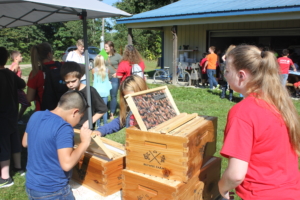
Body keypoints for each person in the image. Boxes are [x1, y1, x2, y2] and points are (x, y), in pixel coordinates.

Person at [219, 45, 300, 200]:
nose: (226, 75)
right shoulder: (280, 102)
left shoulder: (243, 112)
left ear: (241, 75)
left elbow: (235, 175)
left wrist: (221, 189)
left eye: (227, 71)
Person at [22, 90, 93, 199]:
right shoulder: (63, 127)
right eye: (80, 117)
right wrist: (84, 143)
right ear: (75, 112)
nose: (78, 122)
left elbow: (25, 143)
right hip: (53, 191)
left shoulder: (36, 115)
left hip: (32, 185)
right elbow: (67, 164)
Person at [0, 47, 26, 188]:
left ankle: (5, 178)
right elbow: (22, 84)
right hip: (12, 113)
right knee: (14, 140)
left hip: (2, 115)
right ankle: (18, 167)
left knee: (3, 144)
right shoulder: (10, 74)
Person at [60, 61, 108, 129]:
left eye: (73, 81)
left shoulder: (90, 91)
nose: (70, 85)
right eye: (67, 82)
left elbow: (102, 109)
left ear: (80, 77)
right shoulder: (67, 93)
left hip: (86, 129)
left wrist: (90, 122)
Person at [27, 42, 68, 111]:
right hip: (63, 108)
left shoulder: (36, 72)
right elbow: (81, 67)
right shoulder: (62, 66)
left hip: (44, 110)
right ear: (49, 54)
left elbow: (29, 98)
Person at [9, 51, 31, 124]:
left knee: (16, 104)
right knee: (26, 103)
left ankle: (16, 119)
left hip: (15, 89)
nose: (22, 57)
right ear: (16, 58)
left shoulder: (13, 64)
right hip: (17, 89)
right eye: (20, 56)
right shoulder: (15, 66)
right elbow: (11, 76)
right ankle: (18, 118)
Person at [104, 41, 122, 120]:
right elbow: (97, 63)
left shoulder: (118, 56)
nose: (105, 48)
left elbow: (122, 66)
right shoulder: (103, 54)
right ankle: (104, 112)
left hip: (114, 77)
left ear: (111, 47)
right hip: (104, 78)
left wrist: (117, 73)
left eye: (106, 47)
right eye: (104, 47)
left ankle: (112, 113)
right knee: (104, 95)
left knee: (113, 95)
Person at [92, 55, 112, 127]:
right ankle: (105, 123)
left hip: (97, 91)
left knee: (98, 108)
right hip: (105, 91)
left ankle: (98, 123)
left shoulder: (94, 70)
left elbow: (93, 80)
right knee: (104, 108)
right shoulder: (107, 70)